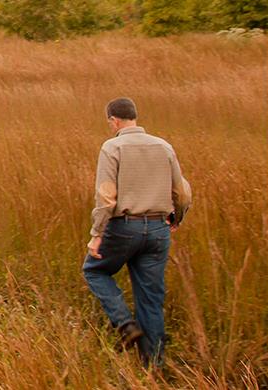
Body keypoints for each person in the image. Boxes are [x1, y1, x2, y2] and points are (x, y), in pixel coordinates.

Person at [82, 97, 192, 368]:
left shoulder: (112, 146)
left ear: (114, 120)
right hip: (158, 229)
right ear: (135, 117)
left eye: (109, 121)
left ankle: (124, 324)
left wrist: (97, 234)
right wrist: (176, 218)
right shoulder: (164, 146)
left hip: (124, 227)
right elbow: (182, 192)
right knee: (151, 299)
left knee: (94, 270)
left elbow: (107, 197)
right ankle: (153, 367)